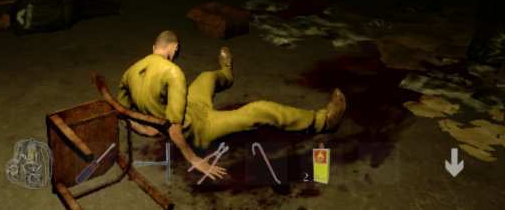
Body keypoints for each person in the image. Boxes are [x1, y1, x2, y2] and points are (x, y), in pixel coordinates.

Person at [116, 31, 346, 179]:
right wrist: (194, 159)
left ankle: (226, 73)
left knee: (206, 77)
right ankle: (323, 121)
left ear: (154, 48)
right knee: (259, 110)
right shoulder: (173, 72)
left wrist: (146, 128)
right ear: (174, 48)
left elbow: (121, 111)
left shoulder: (130, 71)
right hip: (199, 127)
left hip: (190, 107)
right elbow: (174, 127)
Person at [0, 0, 121, 35]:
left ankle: (114, 9)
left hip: (63, 19)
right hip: (64, 5)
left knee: (89, 12)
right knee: (89, 5)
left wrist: (61, 26)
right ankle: (114, 6)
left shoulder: (20, 30)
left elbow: (44, 29)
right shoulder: (20, 3)